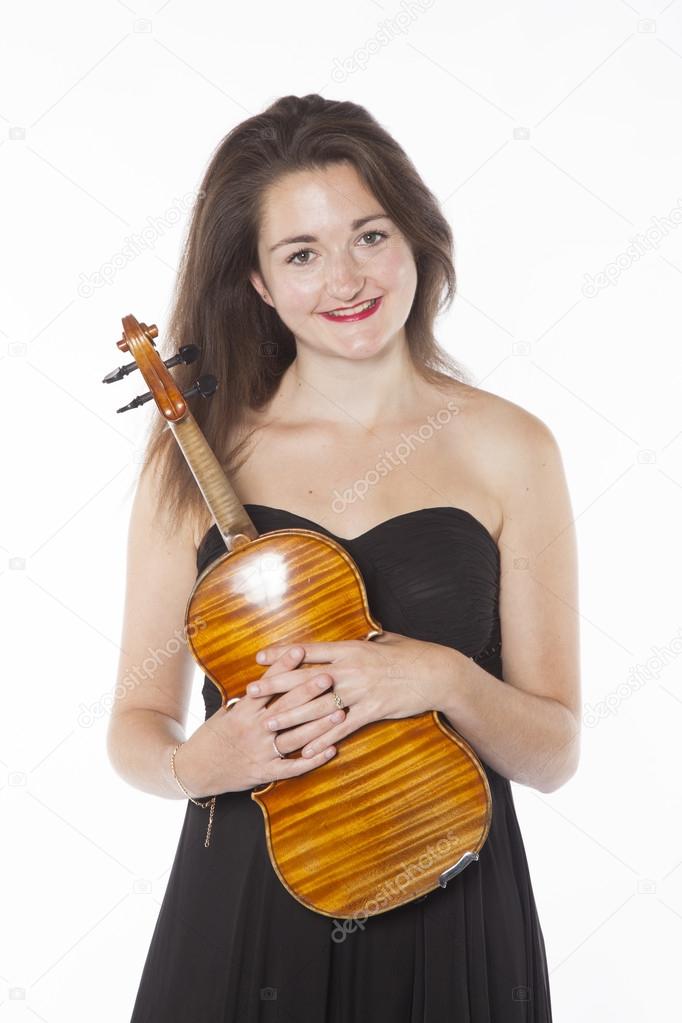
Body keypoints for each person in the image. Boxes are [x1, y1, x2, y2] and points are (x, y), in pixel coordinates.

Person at [107, 93, 580, 1022]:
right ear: (257, 283)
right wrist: (193, 767)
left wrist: (441, 677)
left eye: (369, 235)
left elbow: (555, 749)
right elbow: (135, 716)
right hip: (246, 898)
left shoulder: (511, 448)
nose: (346, 279)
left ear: (414, 235)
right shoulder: (197, 455)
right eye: (302, 254)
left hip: (452, 894)